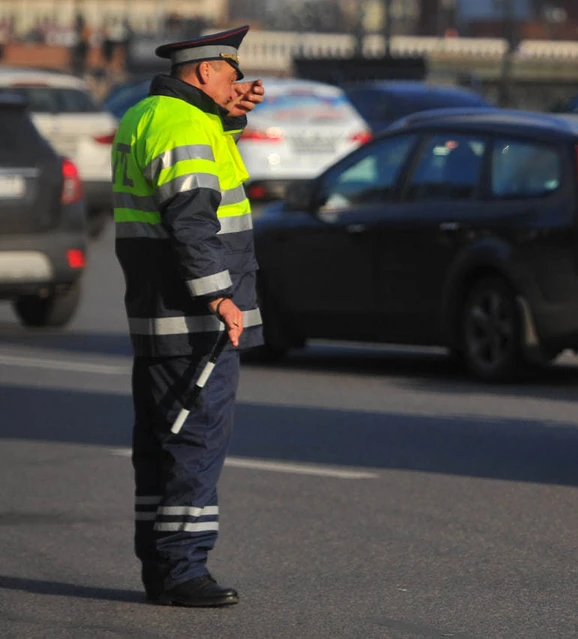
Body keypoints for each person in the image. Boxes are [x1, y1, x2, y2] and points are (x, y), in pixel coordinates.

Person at [111, 25, 265, 607]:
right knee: (194, 442)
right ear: (204, 71)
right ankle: (182, 570)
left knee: (158, 443)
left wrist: (229, 117)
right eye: (230, 72)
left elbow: (181, 186)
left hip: (157, 313)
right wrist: (220, 297)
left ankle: (160, 566)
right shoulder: (184, 126)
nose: (237, 81)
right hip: (194, 319)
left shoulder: (149, 114)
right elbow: (193, 220)